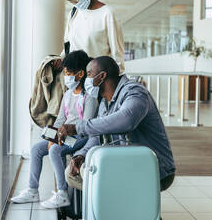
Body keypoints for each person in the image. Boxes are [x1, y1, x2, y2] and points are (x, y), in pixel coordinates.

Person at [58, 56, 176, 191]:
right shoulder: (104, 102)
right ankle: (112, 206)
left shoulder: (135, 93)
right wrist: (82, 155)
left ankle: (117, 206)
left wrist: (77, 127)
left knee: (102, 186)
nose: (86, 80)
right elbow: (97, 136)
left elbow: (126, 120)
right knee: (72, 174)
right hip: (128, 164)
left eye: (89, 74)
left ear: (102, 76)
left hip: (155, 170)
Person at [11, 51, 100, 209]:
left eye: (69, 73)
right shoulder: (67, 95)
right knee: (36, 149)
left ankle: (62, 193)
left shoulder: (89, 98)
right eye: (65, 73)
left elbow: (86, 126)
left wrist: (59, 138)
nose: (66, 77)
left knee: (54, 150)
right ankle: (32, 190)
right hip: (65, 135)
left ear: (80, 74)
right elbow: (60, 120)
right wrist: (52, 134)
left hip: (81, 138)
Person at [52, 0, 125, 75]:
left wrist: (114, 84)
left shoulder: (107, 14)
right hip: (76, 80)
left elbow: (118, 58)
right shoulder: (73, 14)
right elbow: (68, 47)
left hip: (98, 80)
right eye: (71, 1)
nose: (75, 3)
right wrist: (60, 59)